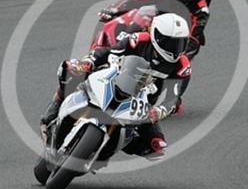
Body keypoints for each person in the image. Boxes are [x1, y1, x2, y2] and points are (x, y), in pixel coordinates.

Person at [40, 13, 191, 157]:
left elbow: (174, 98)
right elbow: (110, 52)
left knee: (156, 147)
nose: (176, 49)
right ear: (157, 36)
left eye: (181, 43)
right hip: (114, 81)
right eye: (171, 43)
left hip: (141, 104)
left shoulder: (182, 67)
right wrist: (89, 62)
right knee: (71, 71)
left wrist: (159, 111)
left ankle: (108, 150)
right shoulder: (138, 40)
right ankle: (50, 115)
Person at [98, 0, 213, 60]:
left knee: (181, 65)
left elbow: (194, 37)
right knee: (142, 15)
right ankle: (115, 48)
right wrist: (114, 9)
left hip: (178, 37)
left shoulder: (201, 9)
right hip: (158, 24)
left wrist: (181, 56)